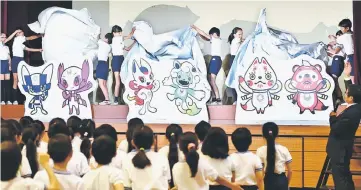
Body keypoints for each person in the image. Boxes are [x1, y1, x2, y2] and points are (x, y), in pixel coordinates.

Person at [172, 132, 241, 190]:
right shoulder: (202, 163)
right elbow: (217, 178)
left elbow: (177, 186)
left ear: (180, 148)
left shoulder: (176, 167)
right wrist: (233, 186)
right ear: (197, 146)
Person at [327, 80, 361, 190]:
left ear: (351, 98)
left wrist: (332, 116)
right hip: (341, 150)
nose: (345, 94)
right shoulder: (354, 108)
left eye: (346, 93)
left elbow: (337, 128)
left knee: (340, 178)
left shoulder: (352, 112)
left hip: (340, 150)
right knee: (344, 176)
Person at [122, 125, 171, 190]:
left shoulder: (126, 159)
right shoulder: (162, 158)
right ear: (154, 141)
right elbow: (167, 182)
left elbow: (126, 186)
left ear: (133, 142)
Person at [192, 25, 223, 105]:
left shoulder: (216, 39)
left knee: (212, 80)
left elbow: (205, 34)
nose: (210, 37)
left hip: (216, 60)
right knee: (209, 79)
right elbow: (205, 37)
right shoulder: (216, 40)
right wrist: (198, 34)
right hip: (215, 60)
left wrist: (195, 27)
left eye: (211, 35)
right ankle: (213, 98)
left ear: (215, 35)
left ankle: (218, 98)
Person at [256, 122, 292, 190]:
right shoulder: (284, 149)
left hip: (267, 181)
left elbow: (261, 172)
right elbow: (290, 171)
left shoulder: (260, 150)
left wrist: (260, 186)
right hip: (282, 181)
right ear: (277, 134)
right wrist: (287, 184)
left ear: (263, 135)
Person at [11, 28, 42, 105]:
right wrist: (39, 35)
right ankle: (14, 99)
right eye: (21, 32)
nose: (23, 33)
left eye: (22, 31)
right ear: (17, 34)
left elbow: (29, 49)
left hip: (21, 60)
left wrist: (39, 50)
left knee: (22, 80)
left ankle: (22, 99)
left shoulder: (20, 44)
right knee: (15, 79)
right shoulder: (18, 38)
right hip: (15, 60)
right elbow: (30, 38)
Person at [110, 25, 135, 105]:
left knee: (123, 79)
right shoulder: (115, 39)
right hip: (116, 60)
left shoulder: (120, 41)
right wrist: (133, 30)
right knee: (117, 81)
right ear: (114, 33)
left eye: (120, 32)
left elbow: (127, 48)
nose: (120, 33)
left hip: (121, 59)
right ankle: (116, 99)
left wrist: (134, 43)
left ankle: (123, 98)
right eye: (118, 32)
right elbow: (129, 36)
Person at [0, 31, 19, 105]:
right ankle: (2, 100)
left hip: (6, 64)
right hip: (0, 63)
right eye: (2, 37)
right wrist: (15, 32)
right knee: (2, 83)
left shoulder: (6, 47)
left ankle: (8, 100)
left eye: (5, 37)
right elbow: (9, 38)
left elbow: (9, 57)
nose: (4, 38)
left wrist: (10, 65)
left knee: (7, 83)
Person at [228, 27, 244, 105]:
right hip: (234, 59)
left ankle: (238, 98)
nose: (240, 36)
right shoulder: (235, 40)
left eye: (241, 34)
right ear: (234, 35)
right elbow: (242, 40)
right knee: (234, 79)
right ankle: (235, 99)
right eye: (239, 34)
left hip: (237, 59)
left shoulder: (238, 41)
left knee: (239, 79)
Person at [96, 33, 113, 105]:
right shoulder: (109, 47)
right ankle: (107, 99)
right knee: (104, 84)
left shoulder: (101, 43)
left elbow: (97, 38)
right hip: (105, 65)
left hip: (101, 64)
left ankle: (107, 100)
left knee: (101, 83)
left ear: (106, 38)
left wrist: (98, 33)